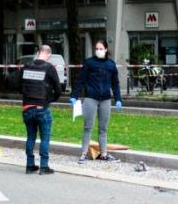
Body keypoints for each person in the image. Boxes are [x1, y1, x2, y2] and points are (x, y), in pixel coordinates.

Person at [70, 40, 122, 164]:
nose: (98, 50)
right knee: (88, 127)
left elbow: (115, 83)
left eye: (100, 48)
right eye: (96, 48)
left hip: (105, 99)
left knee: (103, 128)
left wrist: (118, 99)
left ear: (105, 49)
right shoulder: (89, 63)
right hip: (90, 98)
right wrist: (74, 95)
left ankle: (104, 154)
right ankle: (84, 153)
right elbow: (81, 80)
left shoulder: (111, 65)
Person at [21, 45, 62, 175]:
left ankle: (30, 165)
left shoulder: (26, 66)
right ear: (48, 55)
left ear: (38, 53)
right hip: (41, 108)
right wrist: (50, 99)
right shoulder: (49, 68)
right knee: (45, 138)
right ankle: (44, 166)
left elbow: (16, 83)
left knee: (30, 137)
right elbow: (58, 89)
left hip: (27, 107)